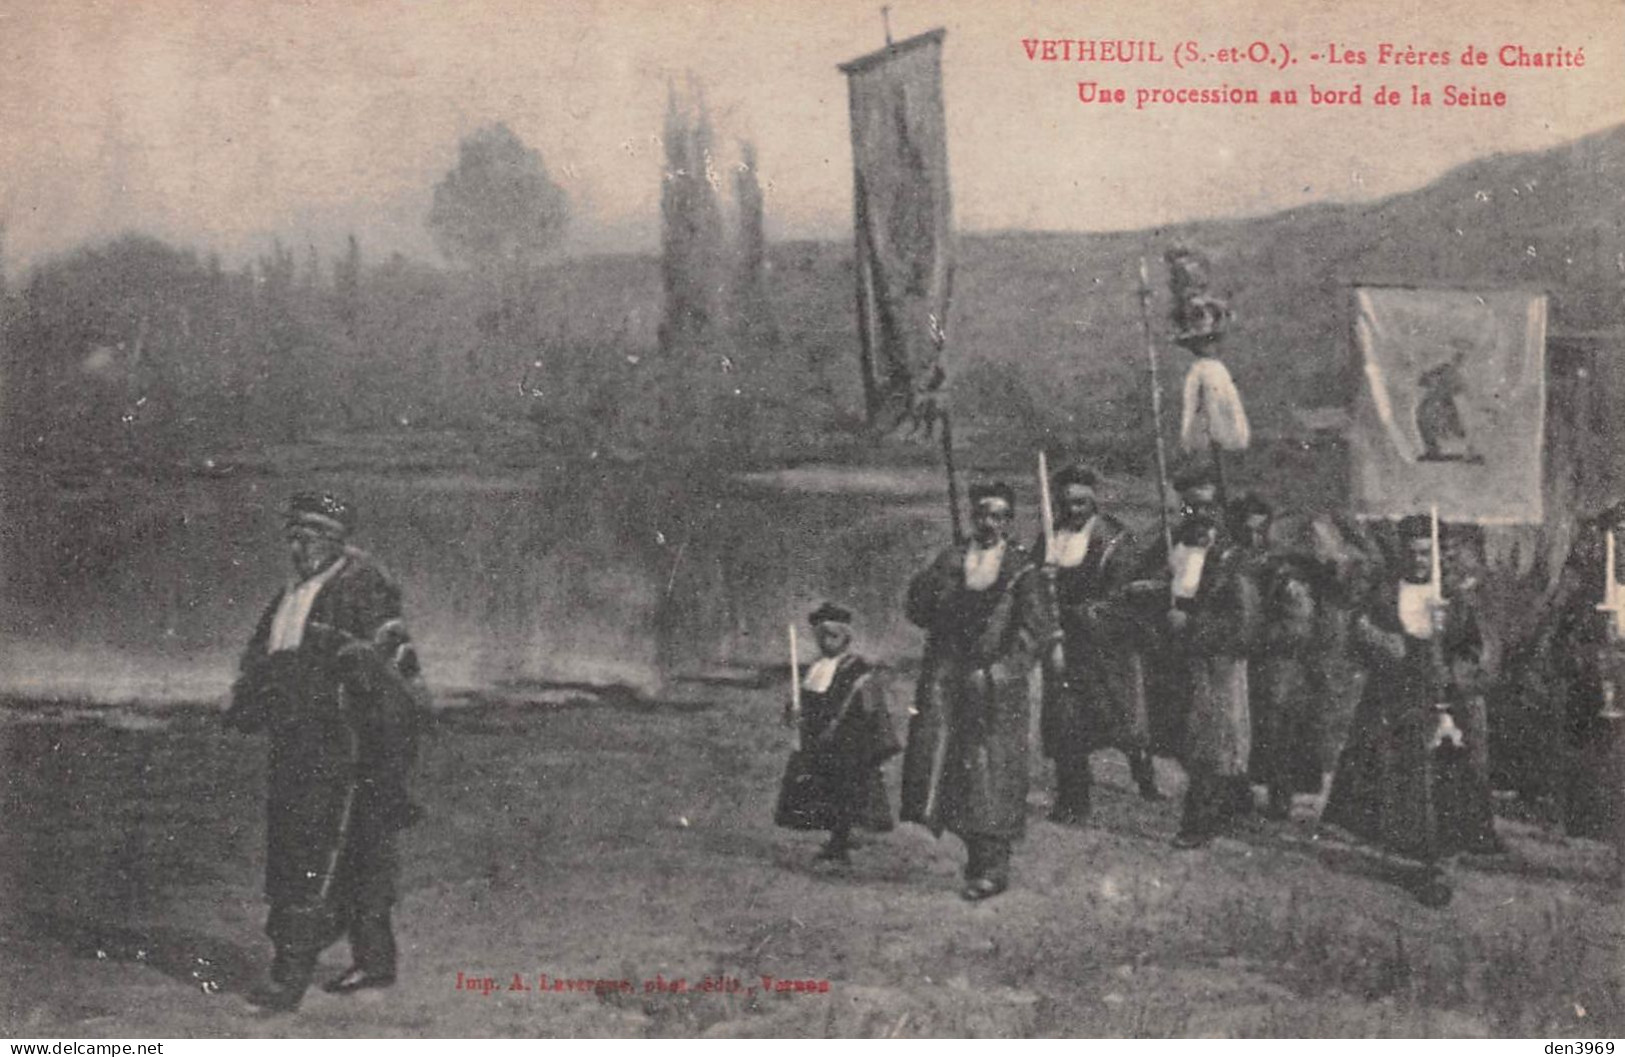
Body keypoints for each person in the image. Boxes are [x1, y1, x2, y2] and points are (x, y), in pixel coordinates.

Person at [225, 492, 428, 1011]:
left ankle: (287, 981)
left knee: (314, 852)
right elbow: (262, 658)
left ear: (335, 539)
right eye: (292, 536)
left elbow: (397, 665)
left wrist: (382, 741)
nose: (297, 546)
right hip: (299, 740)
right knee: (353, 849)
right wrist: (252, 699)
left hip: (346, 742)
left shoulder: (361, 587)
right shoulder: (291, 593)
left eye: (309, 536)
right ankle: (376, 962)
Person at [1322, 514, 1499, 906]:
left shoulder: (1457, 596)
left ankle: (1440, 864)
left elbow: (1480, 654)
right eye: (1411, 552)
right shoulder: (1386, 592)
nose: (1418, 560)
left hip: (1445, 701)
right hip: (1395, 697)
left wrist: (1450, 665)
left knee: (1443, 781)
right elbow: (1359, 635)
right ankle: (1409, 851)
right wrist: (1378, 641)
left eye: (1425, 552)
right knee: (1401, 779)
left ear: (1437, 554)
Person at [901, 482, 1052, 900]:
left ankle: (993, 867)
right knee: (954, 766)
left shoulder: (1022, 568)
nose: (990, 523)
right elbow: (920, 612)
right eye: (983, 514)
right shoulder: (952, 559)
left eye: (999, 516)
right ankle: (975, 857)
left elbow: (1033, 633)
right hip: (950, 681)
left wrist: (1001, 673)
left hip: (996, 688)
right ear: (972, 516)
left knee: (992, 772)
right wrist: (934, 582)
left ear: (1009, 521)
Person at [1032, 464, 1160, 826]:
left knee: (1123, 720)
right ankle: (1073, 798)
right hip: (1065, 644)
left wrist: (1086, 614)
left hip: (1106, 644)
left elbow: (1124, 594)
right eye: (1067, 503)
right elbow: (1033, 587)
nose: (1073, 510)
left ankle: (1143, 772)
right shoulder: (1048, 535)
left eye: (1081, 502)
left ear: (1095, 501)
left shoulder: (1115, 540)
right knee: (1066, 721)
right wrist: (1042, 580)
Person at [773, 602, 899, 864]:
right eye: (821, 636)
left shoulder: (857, 670)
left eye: (833, 636)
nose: (826, 642)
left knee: (845, 792)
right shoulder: (815, 669)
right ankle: (835, 842)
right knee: (822, 792)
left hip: (846, 744)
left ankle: (840, 842)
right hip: (816, 742)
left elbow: (869, 708)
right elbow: (801, 702)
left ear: (846, 638)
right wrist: (793, 713)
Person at [1165, 509, 1262, 849]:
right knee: (1204, 744)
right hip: (1192, 663)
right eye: (1193, 527)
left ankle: (1199, 823)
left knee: (1211, 746)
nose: (1201, 535)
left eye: (1207, 528)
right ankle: (1234, 808)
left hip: (1220, 666)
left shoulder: (1234, 567)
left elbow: (1244, 625)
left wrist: (1190, 625)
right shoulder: (1186, 557)